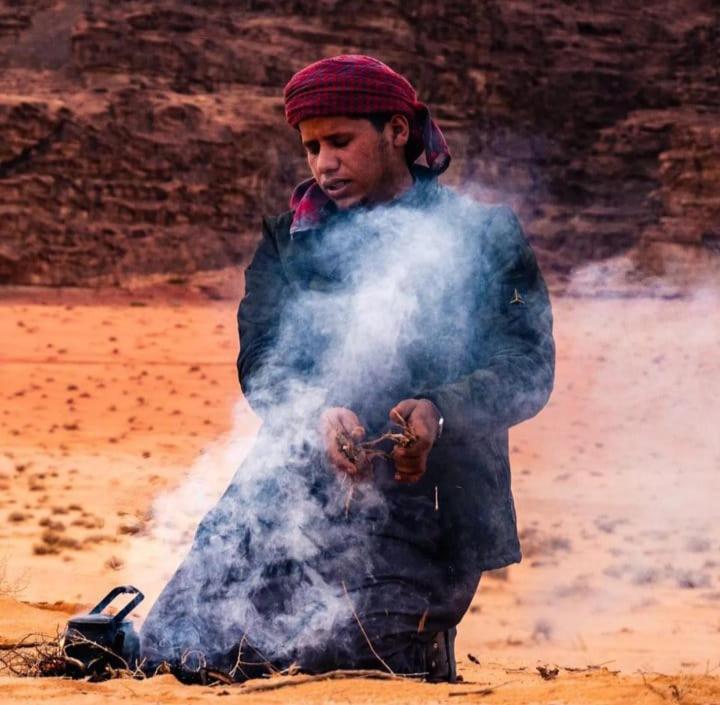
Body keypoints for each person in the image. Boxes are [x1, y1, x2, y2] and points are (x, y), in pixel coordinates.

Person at [139, 54, 555, 683]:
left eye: (340, 140)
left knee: (350, 661)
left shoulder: (483, 234)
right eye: (310, 147)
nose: (322, 163)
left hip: (430, 504)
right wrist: (312, 415)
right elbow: (261, 361)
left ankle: (421, 646)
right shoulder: (287, 240)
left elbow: (528, 364)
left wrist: (440, 411)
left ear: (396, 131)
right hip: (290, 486)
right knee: (178, 651)